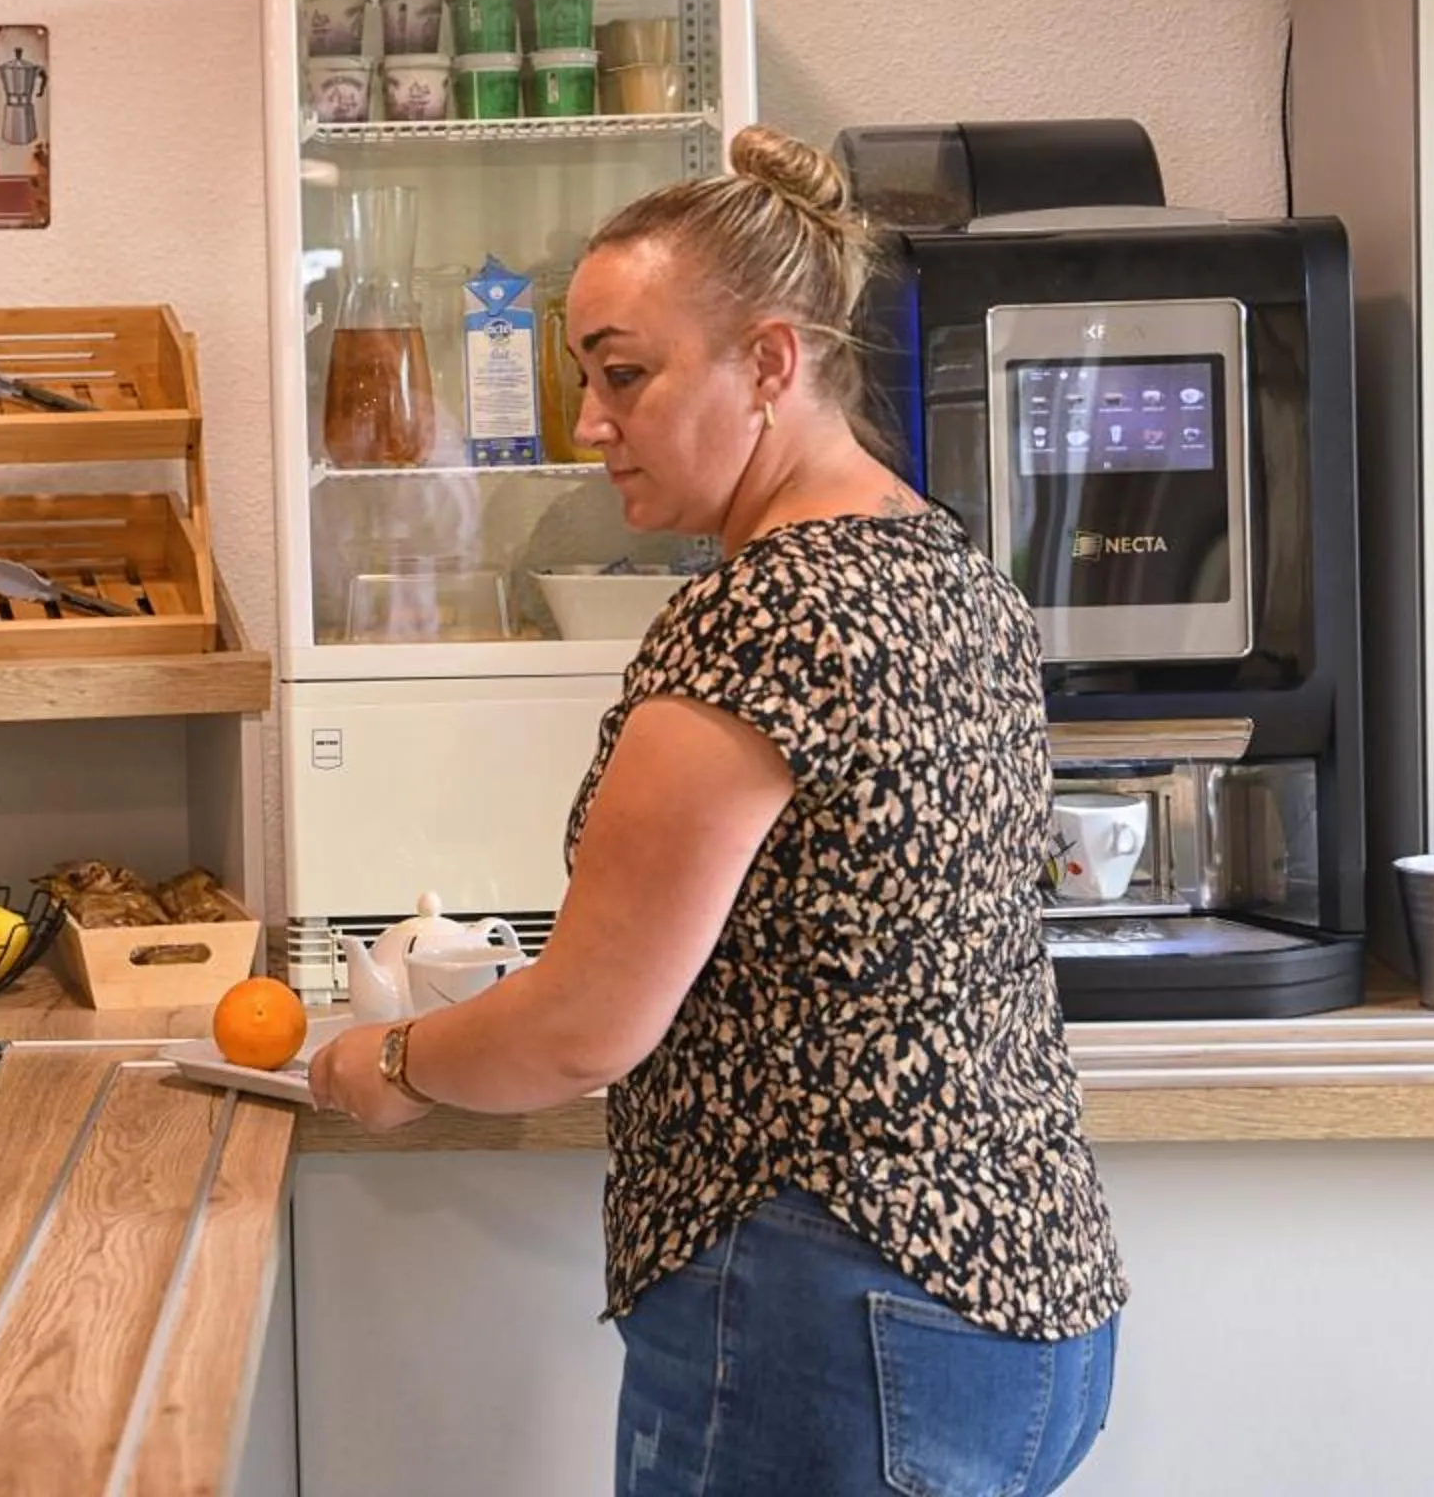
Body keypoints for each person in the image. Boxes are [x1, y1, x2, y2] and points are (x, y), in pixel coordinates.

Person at [310, 125, 1126, 1494]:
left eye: (625, 374)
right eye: (584, 377)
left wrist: (384, 1068)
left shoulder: (765, 613)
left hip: (837, 1320)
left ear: (769, 362)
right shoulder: (955, 574)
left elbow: (584, 1025)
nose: (590, 423)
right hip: (1033, 1300)